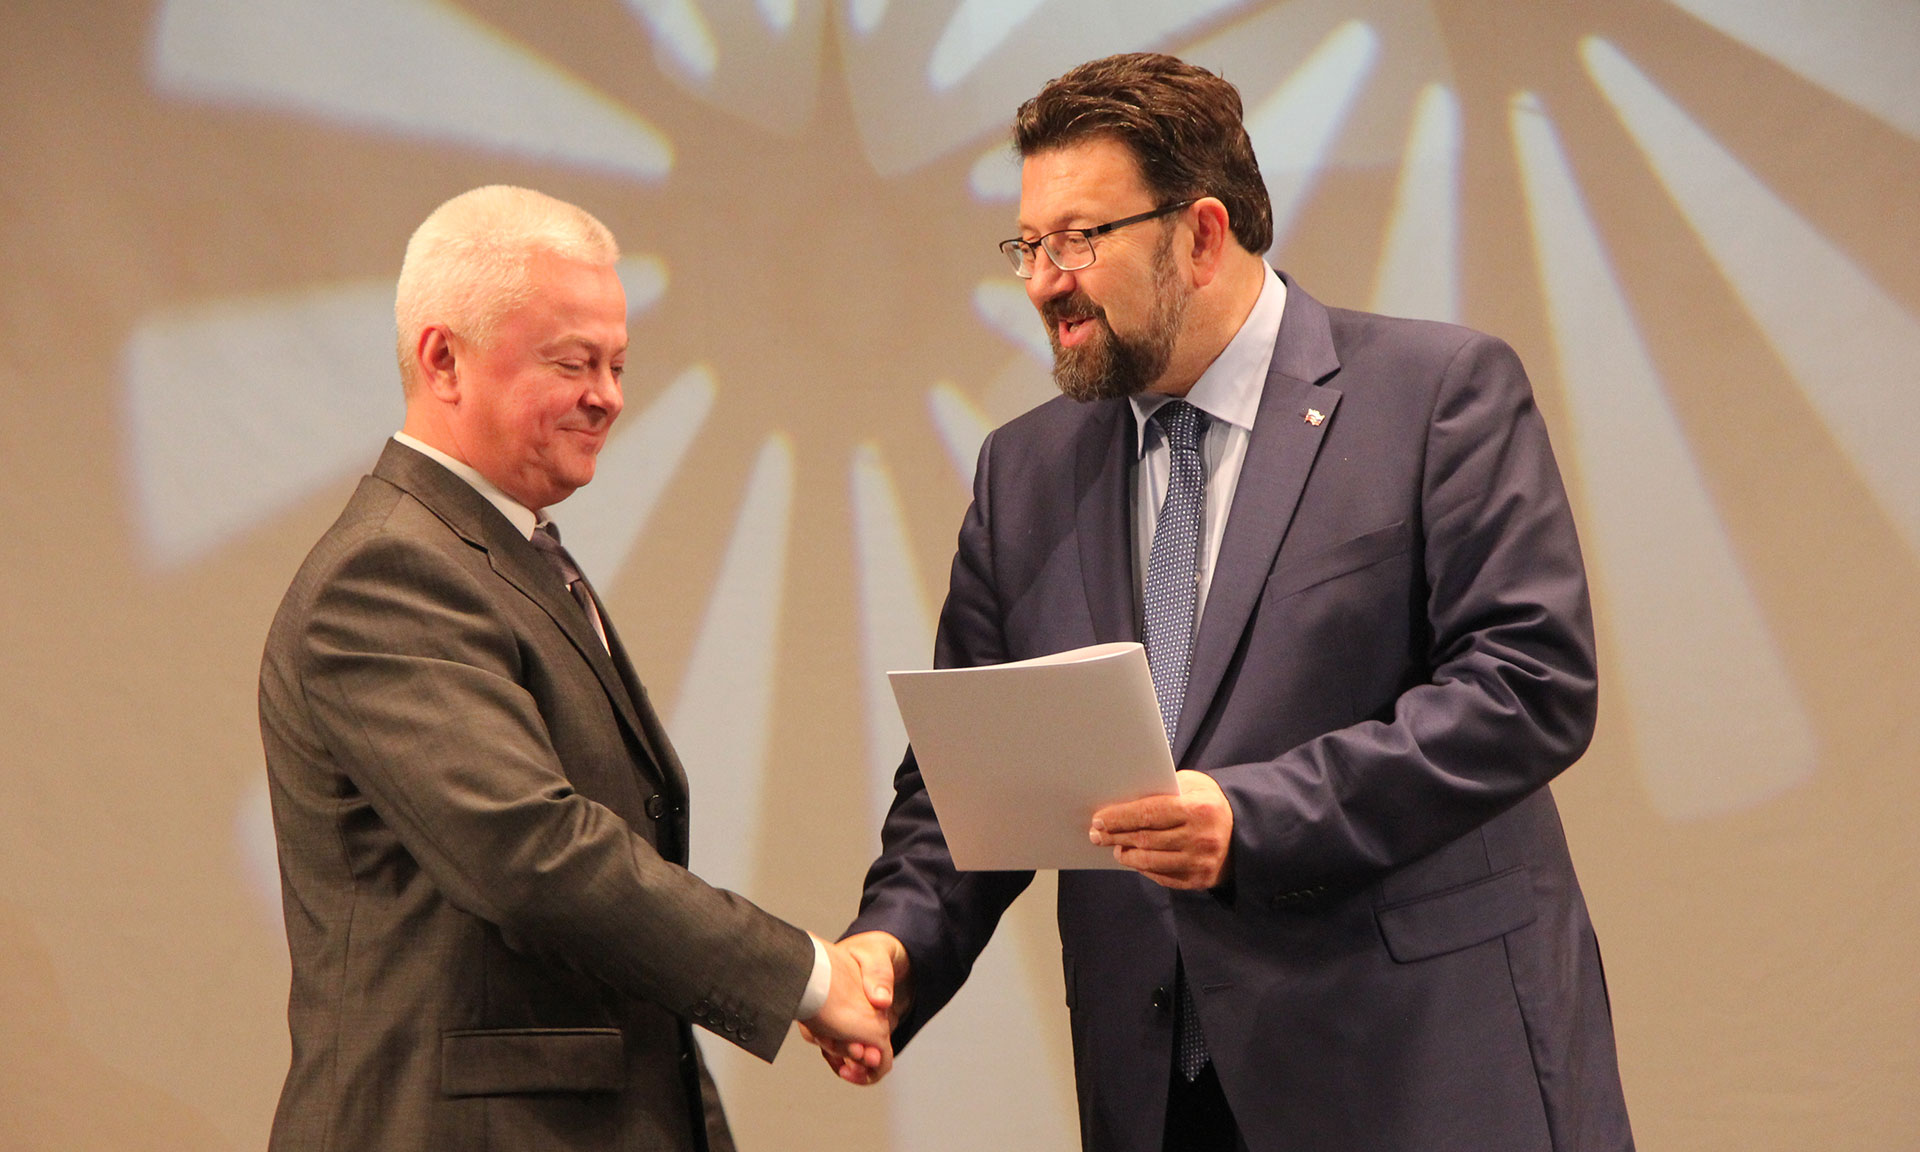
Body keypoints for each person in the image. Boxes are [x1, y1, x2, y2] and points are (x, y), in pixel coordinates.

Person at [816, 54, 1633, 1151]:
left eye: (1079, 240)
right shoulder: (1025, 474)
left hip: (1417, 1071)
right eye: (1029, 246)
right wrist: (893, 947)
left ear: (1202, 235)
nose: (1045, 283)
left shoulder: (1434, 396)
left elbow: (1528, 687)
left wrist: (1255, 816)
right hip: (1161, 1098)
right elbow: (970, 774)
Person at [258, 185, 889, 1152]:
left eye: (618, 364)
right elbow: (534, 856)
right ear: (443, 359)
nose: (609, 396)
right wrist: (808, 977)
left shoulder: (506, 554)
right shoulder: (387, 571)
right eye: (573, 362)